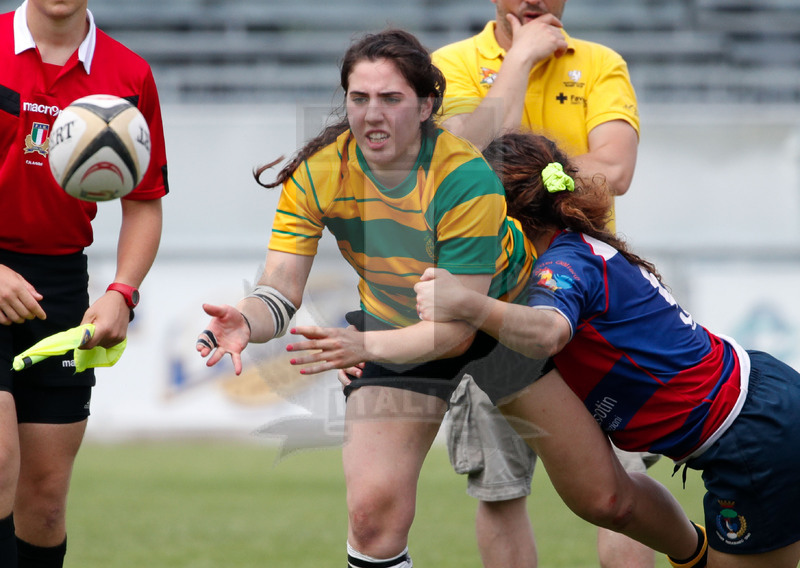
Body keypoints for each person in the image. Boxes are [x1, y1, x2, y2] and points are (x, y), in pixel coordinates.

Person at [195, 29, 701, 568]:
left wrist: (363, 345)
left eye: (391, 99)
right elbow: (281, 287)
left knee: (608, 500)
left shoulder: (463, 178)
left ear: (425, 105)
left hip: (505, 324)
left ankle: (697, 553)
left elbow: (459, 329)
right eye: (359, 98)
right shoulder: (320, 176)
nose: (372, 115)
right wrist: (248, 319)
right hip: (400, 328)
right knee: (372, 516)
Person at [413, 131, 800, 568]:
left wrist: (466, 303)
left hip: (752, 434)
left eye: (474, 209)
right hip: (757, 410)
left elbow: (547, 333)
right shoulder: (569, 251)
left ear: (504, 214)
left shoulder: (563, 266)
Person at [431, 1, 647, 565]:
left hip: (591, 297)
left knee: (625, 486)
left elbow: (617, 172)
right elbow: (459, 161)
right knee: (500, 488)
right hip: (491, 297)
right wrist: (521, 60)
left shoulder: (600, 64)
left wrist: (523, 169)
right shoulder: (448, 65)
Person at [0, 1, 168, 567]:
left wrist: (121, 292)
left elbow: (144, 206)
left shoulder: (129, 74)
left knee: (44, 503)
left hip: (62, 287)